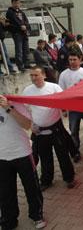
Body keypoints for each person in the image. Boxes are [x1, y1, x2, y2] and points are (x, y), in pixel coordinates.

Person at [22, 66, 76, 191]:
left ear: (44, 75)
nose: (33, 78)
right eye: (32, 75)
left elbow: (63, 102)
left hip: (56, 128)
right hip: (39, 130)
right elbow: (26, 110)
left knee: (63, 154)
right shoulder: (27, 91)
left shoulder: (54, 88)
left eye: (36, 75)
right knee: (45, 157)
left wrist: (64, 110)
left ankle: (69, 178)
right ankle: (46, 180)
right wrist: (31, 125)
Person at [0, 94, 47, 229]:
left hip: (22, 153)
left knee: (31, 187)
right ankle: (9, 219)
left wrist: (8, 108)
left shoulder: (14, 102)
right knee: (5, 191)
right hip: (2, 156)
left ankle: (36, 215)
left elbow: (27, 125)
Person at [58, 51, 83, 162]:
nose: (72, 62)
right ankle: (75, 151)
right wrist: (63, 108)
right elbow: (61, 92)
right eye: (70, 60)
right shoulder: (63, 74)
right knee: (73, 130)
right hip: (73, 108)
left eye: (74, 59)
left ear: (80, 59)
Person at [6, 0, 30, 72]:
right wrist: (20, 26)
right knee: (19, 50)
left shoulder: (21, 12)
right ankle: (20, 65)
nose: (17, 5)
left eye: (18, 3)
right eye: (15, 3)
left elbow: (26, 21)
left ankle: (26, 63)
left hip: (24, 33)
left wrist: (26, 26)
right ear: (12, 3)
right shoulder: (10, 12)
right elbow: (12, 23)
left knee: (26, 49)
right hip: (17, 33)